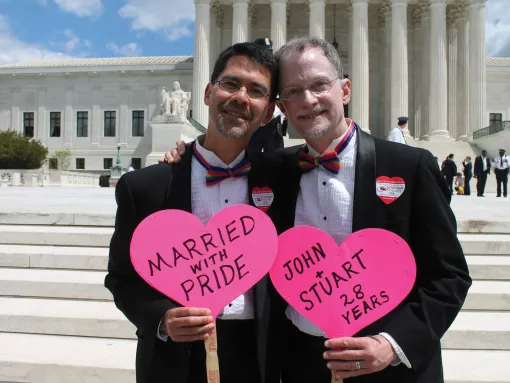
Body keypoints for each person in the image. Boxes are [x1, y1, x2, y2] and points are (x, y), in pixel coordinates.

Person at [164, 37, 471, 383]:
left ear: (345, 89)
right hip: (299, 365)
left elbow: (450, 276)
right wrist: (181, 156)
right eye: (293, 91)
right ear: (280, 106)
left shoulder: (410, 166)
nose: (308, 101)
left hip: (389, 368)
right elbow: (219, 164)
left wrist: (391, 344)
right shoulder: (274, 171)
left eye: (319, 85)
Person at [105, 42, 290, 383]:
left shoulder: (285, 182)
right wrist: (162, 319)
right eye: (231, 84)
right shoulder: (146, 187)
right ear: (208, 93)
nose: (240, 97)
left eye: (256, 91)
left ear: (268, 113)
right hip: (174, 360)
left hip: (258, 360)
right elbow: (120, 279)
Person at [249, 37, 286, 153]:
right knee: (251, 153)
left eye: (268, 52)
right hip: (254, 116)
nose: (266, 56)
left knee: (275, 153)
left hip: (273, 118)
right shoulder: (249, 70)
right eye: (263, 52)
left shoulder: (276, 70)